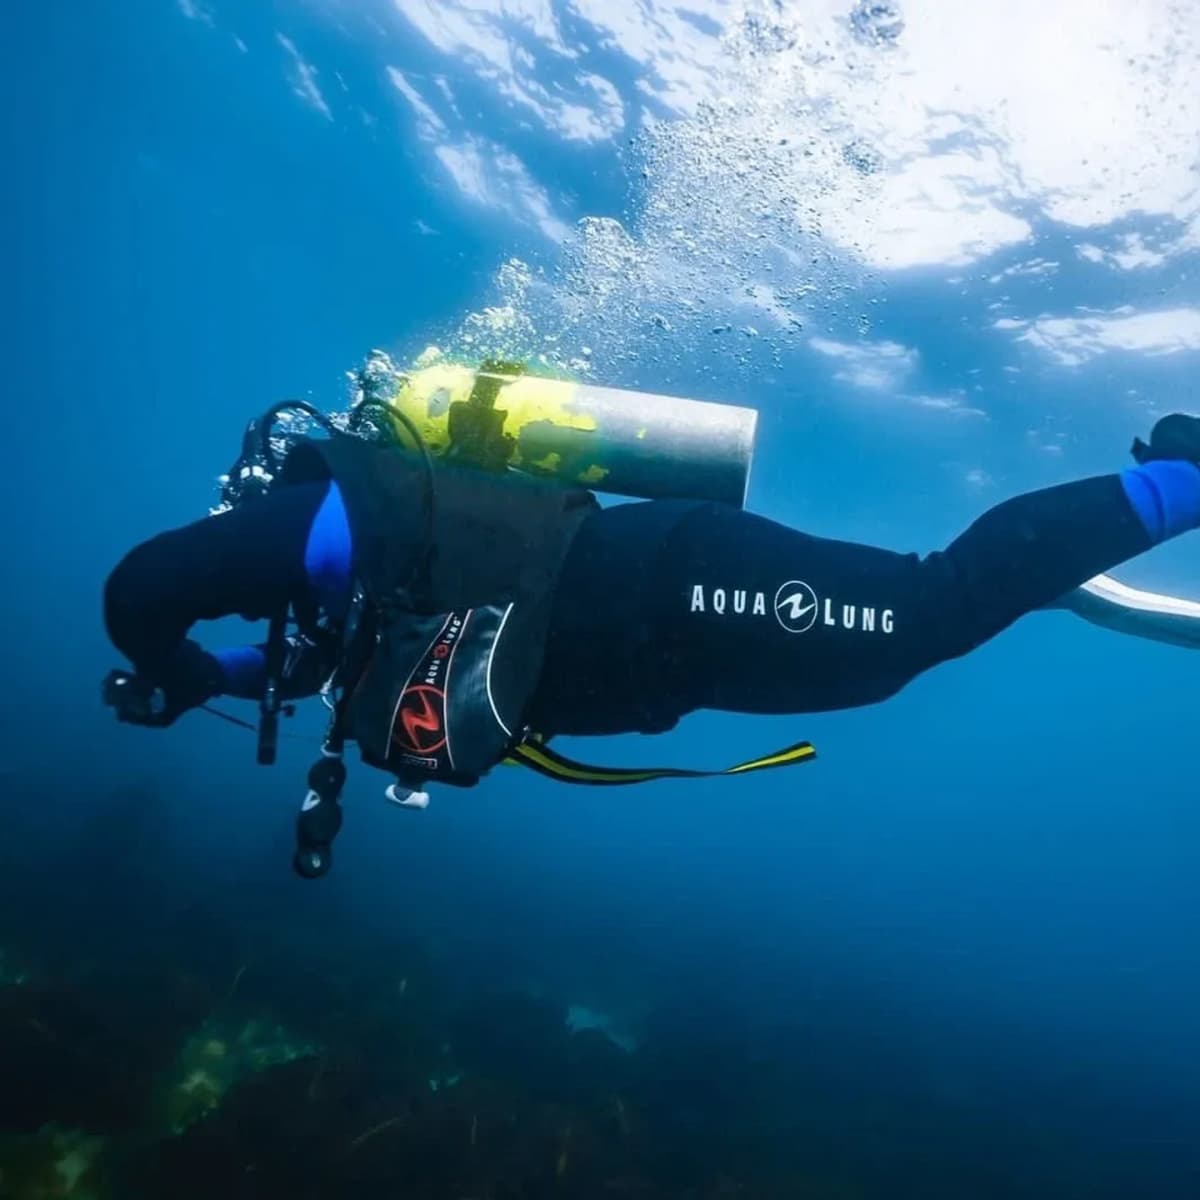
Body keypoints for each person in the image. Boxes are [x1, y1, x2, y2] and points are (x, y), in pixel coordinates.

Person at [102, 408, 1200, 866]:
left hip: (665, 582)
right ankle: (1048, 578)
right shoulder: (352, 593)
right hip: (658, 655)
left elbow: (140, 588)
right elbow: (299, 668)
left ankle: (1176, 478)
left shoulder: (327, 511)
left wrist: (174, 667)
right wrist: (213, 677)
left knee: (923, 615)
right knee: (900, 655)